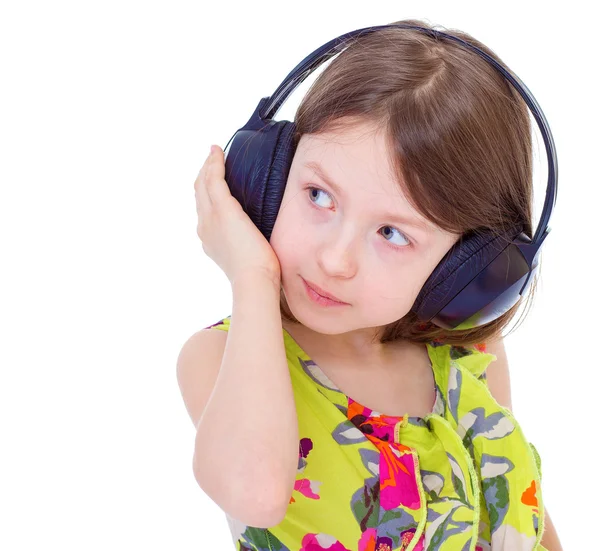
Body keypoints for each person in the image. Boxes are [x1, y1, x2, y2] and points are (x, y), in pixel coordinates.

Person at [178, 19, 563, 550]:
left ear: (469, 268)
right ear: (268, 174)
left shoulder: (471, 358)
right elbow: (254, 494)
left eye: (390, 233)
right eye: (318, 196)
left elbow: (524, 515)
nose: (335, 259)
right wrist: (252, 278)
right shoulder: (222, 355)